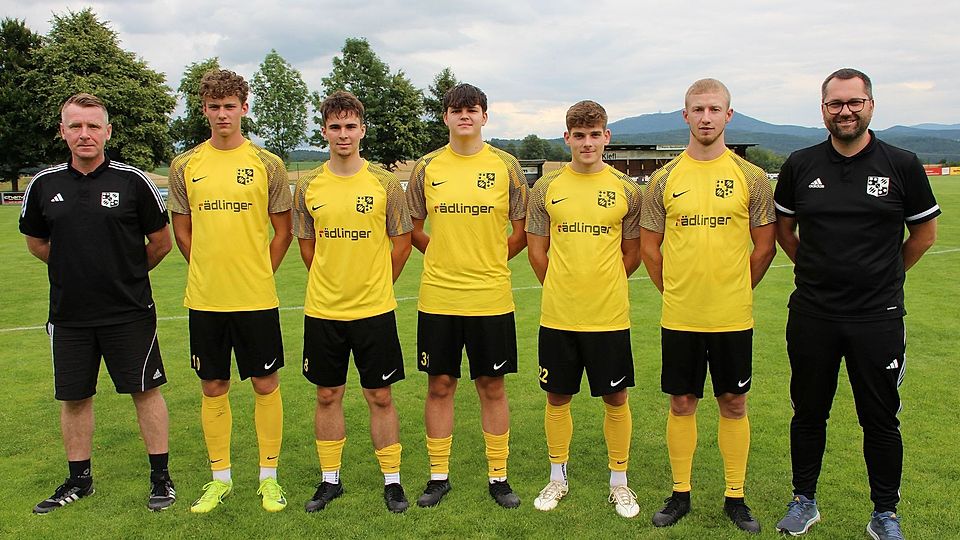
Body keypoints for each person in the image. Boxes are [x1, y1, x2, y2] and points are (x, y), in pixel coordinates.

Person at [773, 68, 940, 540]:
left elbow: (924, 234)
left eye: (854, 102)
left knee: (881, 418)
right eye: (834, 104)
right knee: (808, 412)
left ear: (870, 104)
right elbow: (785, 231)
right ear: (822, 109)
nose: (844, 111)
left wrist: (885, 276)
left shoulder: (901, 164)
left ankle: (885, 512)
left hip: (878, 318)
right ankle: (804, 500)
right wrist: (815, 269)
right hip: (812, 314)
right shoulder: (801, 164)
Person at [20, 93, 176, 513]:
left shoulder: (133, 182)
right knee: (74, 398)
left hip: (129, 313)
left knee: (145, 392)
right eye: (75, 126)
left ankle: (161, 477)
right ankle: (79, 480)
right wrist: (75, 268)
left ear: (108, 131)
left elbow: (161, 243)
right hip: (69, 316)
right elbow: (37, 242)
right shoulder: (44, 185)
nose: (84, 134)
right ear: (63, 132)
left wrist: (122, 271)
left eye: (93, 126)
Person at [639, 78, 776, 534]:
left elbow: (764, 248)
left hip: (733, 315)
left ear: (728, 116)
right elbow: (650, 250)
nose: (705, 117)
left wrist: (736, 287)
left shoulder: (751, 177)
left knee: (734, 402)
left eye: (714, 109)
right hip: (681, 315)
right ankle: (680, 494)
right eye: (697, 109)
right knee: (681, 402)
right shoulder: (663, 178)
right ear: (685, 116)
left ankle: (735, 496)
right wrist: (676, 289)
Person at [167, 69, 293, 513]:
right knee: (214, 385)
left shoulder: (268, 164)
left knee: (265, 382)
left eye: (230, 106)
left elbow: (283, 231)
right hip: (205, 299)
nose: (222, 114)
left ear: (245, 107)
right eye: (214, 107)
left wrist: (259, 271)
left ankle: (269, 477)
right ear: (204, 110)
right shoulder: (185, 166)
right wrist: (207, 268)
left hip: (256, 298)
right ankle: (219, 478)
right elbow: (182, 231)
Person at [404, 83, 528, 508]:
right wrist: (441, 254)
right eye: (456, 111)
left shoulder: (506, 166)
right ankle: (438, 477)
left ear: (484, 117)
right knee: (440, 385)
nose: (464, 117)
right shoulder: (427, 167)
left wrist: (492, 259)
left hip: (490, 297)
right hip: (438, 297)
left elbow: (521, 229)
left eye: (471, 110)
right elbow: (414, 227)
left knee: (492, 385)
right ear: (445, 117)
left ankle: (499, 477)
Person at [292, 91, 413, 514]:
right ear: (324, 131)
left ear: (362, 129)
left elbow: (401, 244)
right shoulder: (308, 185)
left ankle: (393, 482)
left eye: (350, 126)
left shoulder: (382, 184)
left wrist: (375, 281)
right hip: (323, 310)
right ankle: (330, 480)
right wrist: (331, 280)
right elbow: (308, 248)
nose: (343, 134)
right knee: (328, 394)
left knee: (379, 395)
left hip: (374, 310)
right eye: (334, 127)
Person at [525, 101, 643, 518]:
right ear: (567, 139)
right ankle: (557, 477)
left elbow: (633, 253)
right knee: (558, 397)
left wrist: (601, 284)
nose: (587, 142)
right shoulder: (546, 188)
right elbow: (537, 252)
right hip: (558, 315)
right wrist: (563, 284)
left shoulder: (627, 189)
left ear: (606, 137)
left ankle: (620, 482)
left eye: (595, 134)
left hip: (608, 316)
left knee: (615, 397)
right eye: (579, 135)